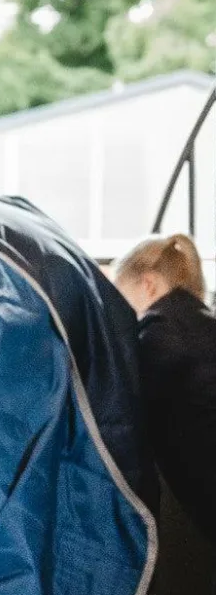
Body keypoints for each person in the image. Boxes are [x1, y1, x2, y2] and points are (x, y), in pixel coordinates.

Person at [114, 234, 216, 545]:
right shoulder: (202, 325)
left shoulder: (159, 334)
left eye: (123, 300)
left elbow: (120, 413)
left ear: (148, 284)